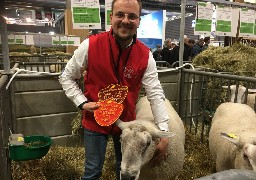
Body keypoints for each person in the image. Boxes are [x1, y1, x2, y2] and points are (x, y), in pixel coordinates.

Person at [59, 0, 170, 179]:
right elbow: (66, 77)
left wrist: (163, 134)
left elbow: (155, 93)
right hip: (95, 120)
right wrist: (83, 103)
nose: (125, 20)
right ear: (111, 18)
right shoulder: (90, 45)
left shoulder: (145, 55)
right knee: (93, 170)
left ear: (138, 21)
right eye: (120, 15)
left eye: (132, 16)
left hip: (126, 124)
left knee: (125, 169)